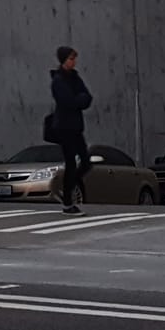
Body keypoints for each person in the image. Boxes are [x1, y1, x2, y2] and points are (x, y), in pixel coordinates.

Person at [48, 46, 93, 215]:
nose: (74, 62)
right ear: (63, 60)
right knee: (71, 163)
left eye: (74, 58)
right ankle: (68, 202)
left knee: (86, 162)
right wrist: (79, 99)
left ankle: (67, 189)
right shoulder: (58, 80)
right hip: (64, 127)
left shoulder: (75, 77)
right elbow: (68, 102)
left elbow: (87, 97)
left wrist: (79, 99)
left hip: (76, 127)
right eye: (71, 59)